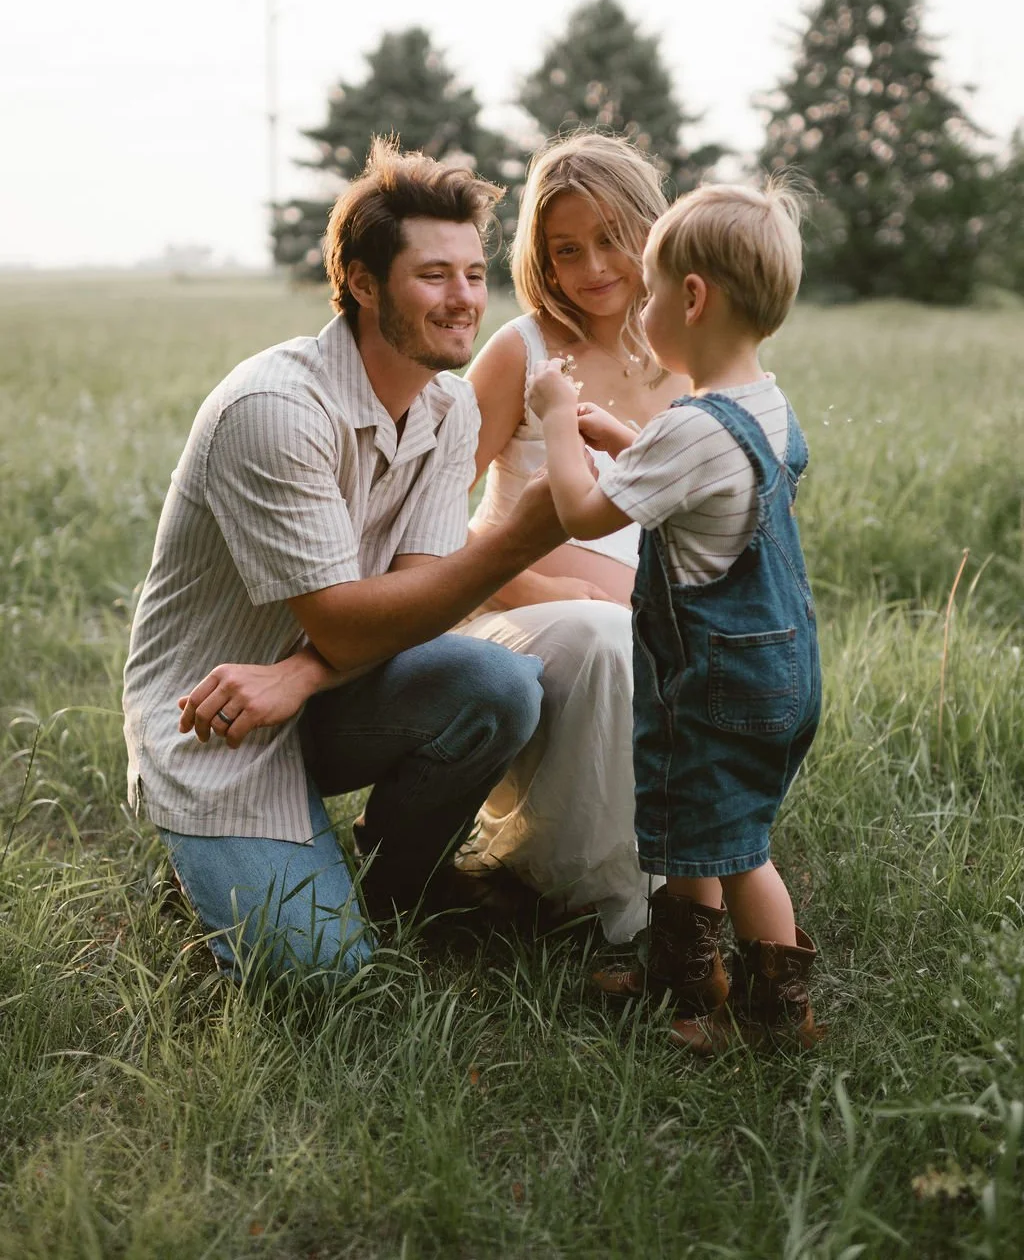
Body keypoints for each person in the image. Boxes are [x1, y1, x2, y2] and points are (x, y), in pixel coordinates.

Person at [123, 139, 564, 984]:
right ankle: (211, 872)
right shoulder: (275, 410)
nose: (465, 299)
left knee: (501, 684)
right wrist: (517, 537)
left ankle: (393, 891)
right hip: (215, 719)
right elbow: (343, 617)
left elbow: (418, 598)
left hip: (323, 689)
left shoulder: (447, 408)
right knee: (329, 983)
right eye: (434, 275)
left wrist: (300, 678)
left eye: (474, 275)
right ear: (363, 283)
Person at [527, 178, 823, 1053]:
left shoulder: (692, 427)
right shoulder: (765, 406)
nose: (644, 307)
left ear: (692, 299)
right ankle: (686, 975)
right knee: (698, 822)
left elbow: (584, 514)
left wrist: (552, 422)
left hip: (714, 678)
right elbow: (707, 485)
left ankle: (776, 1017)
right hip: (776, 669)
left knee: (739, 853)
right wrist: (626, 441)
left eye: (653, 291)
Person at [454, 133, 691, 941]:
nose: (590, 267)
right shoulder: (518, 352)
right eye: (565, 250)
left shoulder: (688, 359)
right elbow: (423, 513)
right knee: (599, 636)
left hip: (645, 619)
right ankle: (585, 900)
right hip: (513, 612)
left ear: (650, 234)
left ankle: (671, 884)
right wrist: (535, 586)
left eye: (610, 240)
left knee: (668, 646)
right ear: (541, 260)